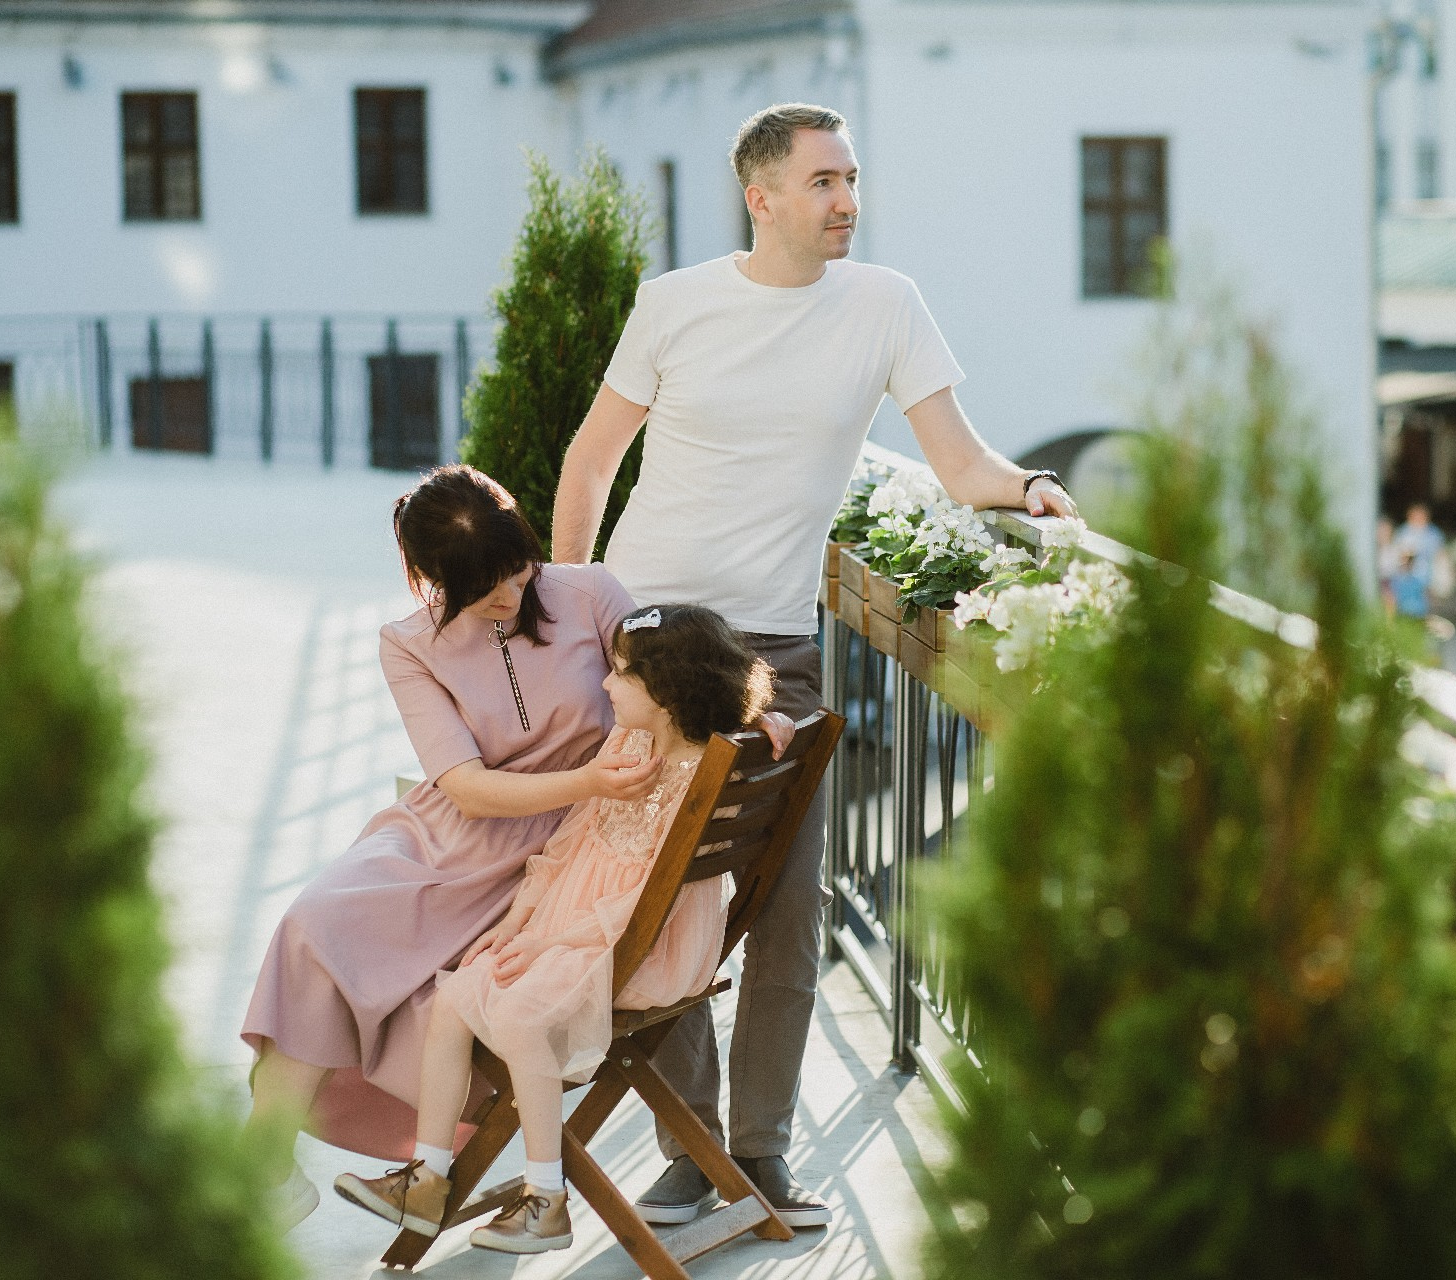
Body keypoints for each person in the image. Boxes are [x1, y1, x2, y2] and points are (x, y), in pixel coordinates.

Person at [551, 102, 1081, 1228]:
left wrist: (1026, 486)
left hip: (777, 650)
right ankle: (690, 1150)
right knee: (665, 903)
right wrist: (574, 607)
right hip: (648, 644)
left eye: (851, 179)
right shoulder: (675, 305)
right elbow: (591, 460)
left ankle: (761, 1153)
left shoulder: (887, 304)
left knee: (787, 906)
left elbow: (957, 459)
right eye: (825, 182)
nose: (847, 200)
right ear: (764, 198)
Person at [239, 465, 657, 1229]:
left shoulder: (592, 593)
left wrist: (747, 707)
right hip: (450, 833)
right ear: (428, 577)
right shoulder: (410, 645)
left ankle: (258, 1175)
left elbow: (674, 676)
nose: (507, 595)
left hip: (558, 851)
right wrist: (589, 780)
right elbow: (463, 786)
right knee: (313, 926)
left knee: (374, 965)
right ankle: (265, 1170)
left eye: (516, 568)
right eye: (480, 585)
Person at [330, 606, 790, 1252]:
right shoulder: (630, 743)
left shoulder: (706, 771)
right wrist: (521, 923)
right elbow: (574, 836)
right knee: (456, 997)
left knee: (519, 1013)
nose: (605, 684)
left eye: (621, 674)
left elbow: (644, 909)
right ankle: (428, 1175)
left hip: (645, 947)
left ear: (667, 691)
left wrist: (548, 942)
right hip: (581, 927)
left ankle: (546, 1198)